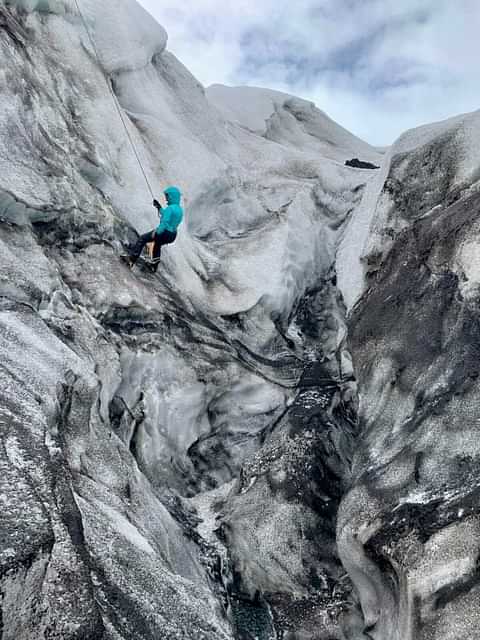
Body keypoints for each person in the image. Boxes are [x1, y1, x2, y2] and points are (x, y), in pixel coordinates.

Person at [123, 186, 184, 272]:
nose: (166, 199)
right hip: (172, 235)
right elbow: (168, 217)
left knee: (142, 238)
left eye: (167, 196)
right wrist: (159, 207)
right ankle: (153, 266)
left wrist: (157, 232)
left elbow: (164, 222)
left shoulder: (170, 208)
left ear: (172, 196)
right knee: (157, 244)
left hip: (164, 232)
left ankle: (131, 260)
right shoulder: (179, 209)